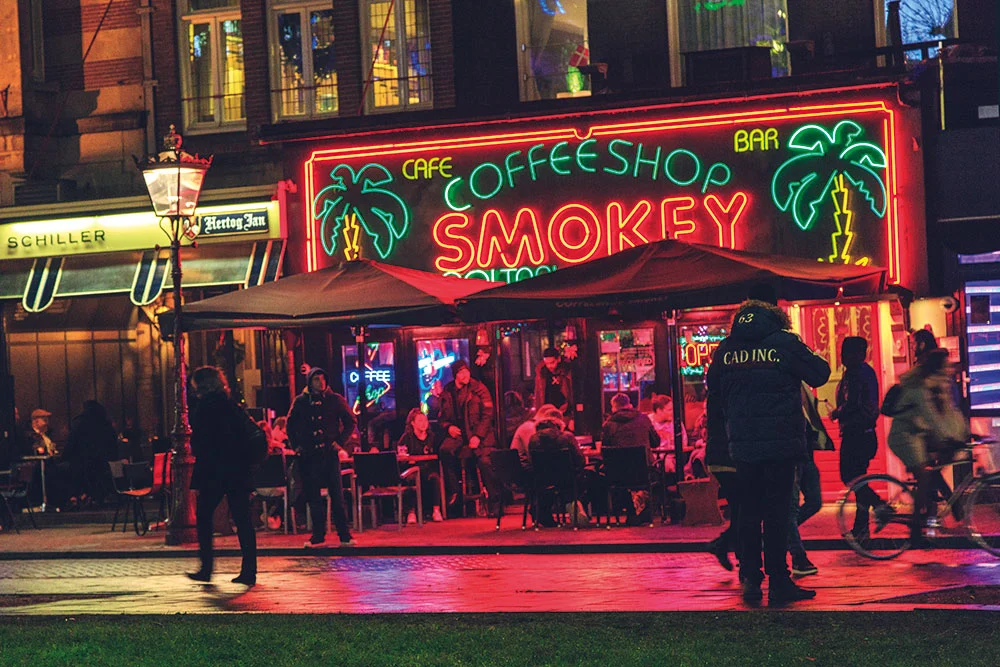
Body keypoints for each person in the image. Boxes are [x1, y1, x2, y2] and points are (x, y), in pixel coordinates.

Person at [707, 284, 830, 605]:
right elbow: (820, 374)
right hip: (782, 447)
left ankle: (750, 580)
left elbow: (713, 390)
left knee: (747, 513)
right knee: (776, 514)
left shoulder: (726, 350)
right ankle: (779, 583)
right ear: (777, 319)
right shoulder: (784, 344)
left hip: (742, 449)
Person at [882, 333, 968, 543]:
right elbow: (931, 416)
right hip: (904, 437)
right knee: (926, 477)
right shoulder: (919, 387)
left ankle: (931, 522)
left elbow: (947, 411)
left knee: (932, 475)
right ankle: (915, 528)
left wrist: (962, 433)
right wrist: (947, 437)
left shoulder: (931, 384)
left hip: (917, 435)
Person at [186, 366, 257, 586]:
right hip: (237, 469)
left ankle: (206, 567)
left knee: (204, 515)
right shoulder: (231, 405)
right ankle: (249, 570)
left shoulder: (204, 407)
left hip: (214, 470)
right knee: (242, 519)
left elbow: (200, 440)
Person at [287, 367, 356, 548]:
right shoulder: (301, 402)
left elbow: (350, 421)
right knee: (313, 496)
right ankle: (318, 535)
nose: (321, 383)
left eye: (323, 379)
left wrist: (339, 441)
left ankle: (344, 535)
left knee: (337, 495)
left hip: (329, 455)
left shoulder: (334, 400)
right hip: (309, 456)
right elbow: (290, 425)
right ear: (310, 382)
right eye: (317, 379)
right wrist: (297, 446)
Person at [830, 336, 883, 542]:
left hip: (857, 434)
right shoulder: (864, 372)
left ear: (858, 354)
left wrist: (837, 413)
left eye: (847, 352)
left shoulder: (856, 373)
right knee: (859, 480)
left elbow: (852, 403)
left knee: (851, 478)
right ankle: (861, 528)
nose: (843, 357)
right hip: (866, 434)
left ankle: (880, 505)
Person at [438, 359, 501, 515]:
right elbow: (442, 417)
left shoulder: (479, 389)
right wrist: (448, 427)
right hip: (459, 436)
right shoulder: (448, 392)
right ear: (455, 375)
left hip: (481, 436)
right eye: (461, 372)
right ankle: (455, 492)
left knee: (485, 462)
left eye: (466, 371)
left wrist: (478, 436)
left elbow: (488, 415)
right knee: (444, 451)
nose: (465, 374)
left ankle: (495, 503)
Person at [787, 386, 832, 577]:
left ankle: (782, 533)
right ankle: (798, 555)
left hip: (806, 454)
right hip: (792, 455)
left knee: (814, 501)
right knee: (791, 508)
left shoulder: (802, 390)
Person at [601, 393, 659, 524]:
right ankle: (645, 510)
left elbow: (605, 450)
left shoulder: (608, 424)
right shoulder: (643, 419)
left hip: (618, 474)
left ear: (614, 407)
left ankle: (630, 510)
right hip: (644, 471)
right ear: (629, 405)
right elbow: (656, 442)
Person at [527, 411, 588, 527]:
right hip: (567, 480)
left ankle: (543, 512)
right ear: (559, 426)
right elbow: (580, 461)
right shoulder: (567, 437)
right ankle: (577, 508)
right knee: (588, 477)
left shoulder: (533, 440)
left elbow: (531, 462)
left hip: (542, 481)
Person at [61, 400, 119, 507]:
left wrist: (63, 457)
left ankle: (74, 497)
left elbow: (71, 444)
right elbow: (113, 446)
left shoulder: (79, 423)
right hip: (104, 463)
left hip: (81, 463)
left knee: (62, 470)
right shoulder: (106, 424)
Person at [397, 408, 444, 523]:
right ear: (413, 423)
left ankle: (436, 510)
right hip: (412, 469)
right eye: (420, 421)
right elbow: (402, 457)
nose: (424, 424)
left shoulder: (432, 437)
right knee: (411, 479)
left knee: (435, 479)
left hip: (428, 468)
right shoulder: (406, 438)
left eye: (425, 420)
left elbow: (437, 454)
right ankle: (411, 512)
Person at [510, 404, 563, 472]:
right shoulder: (530, 428)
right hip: (525, 472)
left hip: (527, 469)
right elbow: (533, 454)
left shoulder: (529, 426)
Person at [648, 393, 689, 475]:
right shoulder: (648, 422)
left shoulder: (676, 423)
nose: (673, 412)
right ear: (659, 410)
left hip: (672, 457)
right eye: (669, 410)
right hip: (654, 458)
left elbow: (684, 443)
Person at [534, 348, 574, 425]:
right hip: (546, 413)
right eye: (547, 363)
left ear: (558, 359)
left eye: (552, 362)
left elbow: (571, 393)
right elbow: (538, 395)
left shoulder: (566, 372)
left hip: (564, 412)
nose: (549, 366)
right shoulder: (542, 373)